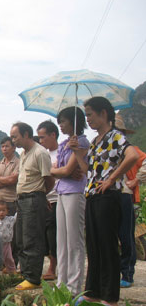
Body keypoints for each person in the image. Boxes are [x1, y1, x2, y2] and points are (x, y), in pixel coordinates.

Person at [70, 96, 138, 306]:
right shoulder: (96, 141)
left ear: (103, 113)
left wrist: (111, 178)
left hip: (109, 196)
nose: (88, 119)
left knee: (108, 245)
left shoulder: (115, 136)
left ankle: (110, 297)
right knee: (94, 244)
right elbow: (87, 169)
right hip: (92, 194)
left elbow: (132, 155)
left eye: (90, 114)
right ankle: (92, 293)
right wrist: (76, 151)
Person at [10, 122, 54, 290]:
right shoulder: (23, 154)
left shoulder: (40, 153)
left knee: (32, 239)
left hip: (33, 199)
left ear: (26, 134)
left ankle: (33, 278)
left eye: (15, 136)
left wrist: (41, 196)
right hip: (21, 200)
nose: (13, 140)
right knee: (20, 238)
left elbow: (49, 179)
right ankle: (25, 273)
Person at [50, 107, 89, 296]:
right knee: (62, 240)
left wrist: (60, 171)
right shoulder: (64, 143)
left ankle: (74, 286)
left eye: (63, 122)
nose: (61, 126)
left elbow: (64, 171)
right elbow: (57, 169)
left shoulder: (81, 142)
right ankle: (61, 282)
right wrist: (60, 171)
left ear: (74, 121)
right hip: (62, 192)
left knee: (74, 240)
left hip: (75, 192)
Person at [114, 115, 146, 288]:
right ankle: (115, 272)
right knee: (111, 235)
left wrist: (136, 180)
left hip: (124, 194)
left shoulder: (131, 149)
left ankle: (127, 273)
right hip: (108, 196)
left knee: (126, 235)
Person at [0, 137, 20, 264]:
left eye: (7, 146)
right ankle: (1, 263)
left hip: (11, 201)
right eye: (2, 146)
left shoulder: (19, 162)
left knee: (12, 235)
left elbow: (13, 180)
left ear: (14, 147)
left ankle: (13, 263)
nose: (4, 149)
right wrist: (5, 180)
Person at [37, 120, 59, 281]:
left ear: (53, 135)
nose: (41, 141)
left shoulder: (62, 152)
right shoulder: (43, 153)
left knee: (53, 234)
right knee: (43, 234)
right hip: (43, 199)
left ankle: (53, 267)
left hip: (57, 198)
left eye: (43, 137)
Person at [0, 201, 17, 274]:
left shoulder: (10, 219)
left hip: (7, 244)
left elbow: (17, 216)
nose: (1, 212)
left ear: (7, 211)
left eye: (3, 210)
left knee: (9, 258)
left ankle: (12, 272)